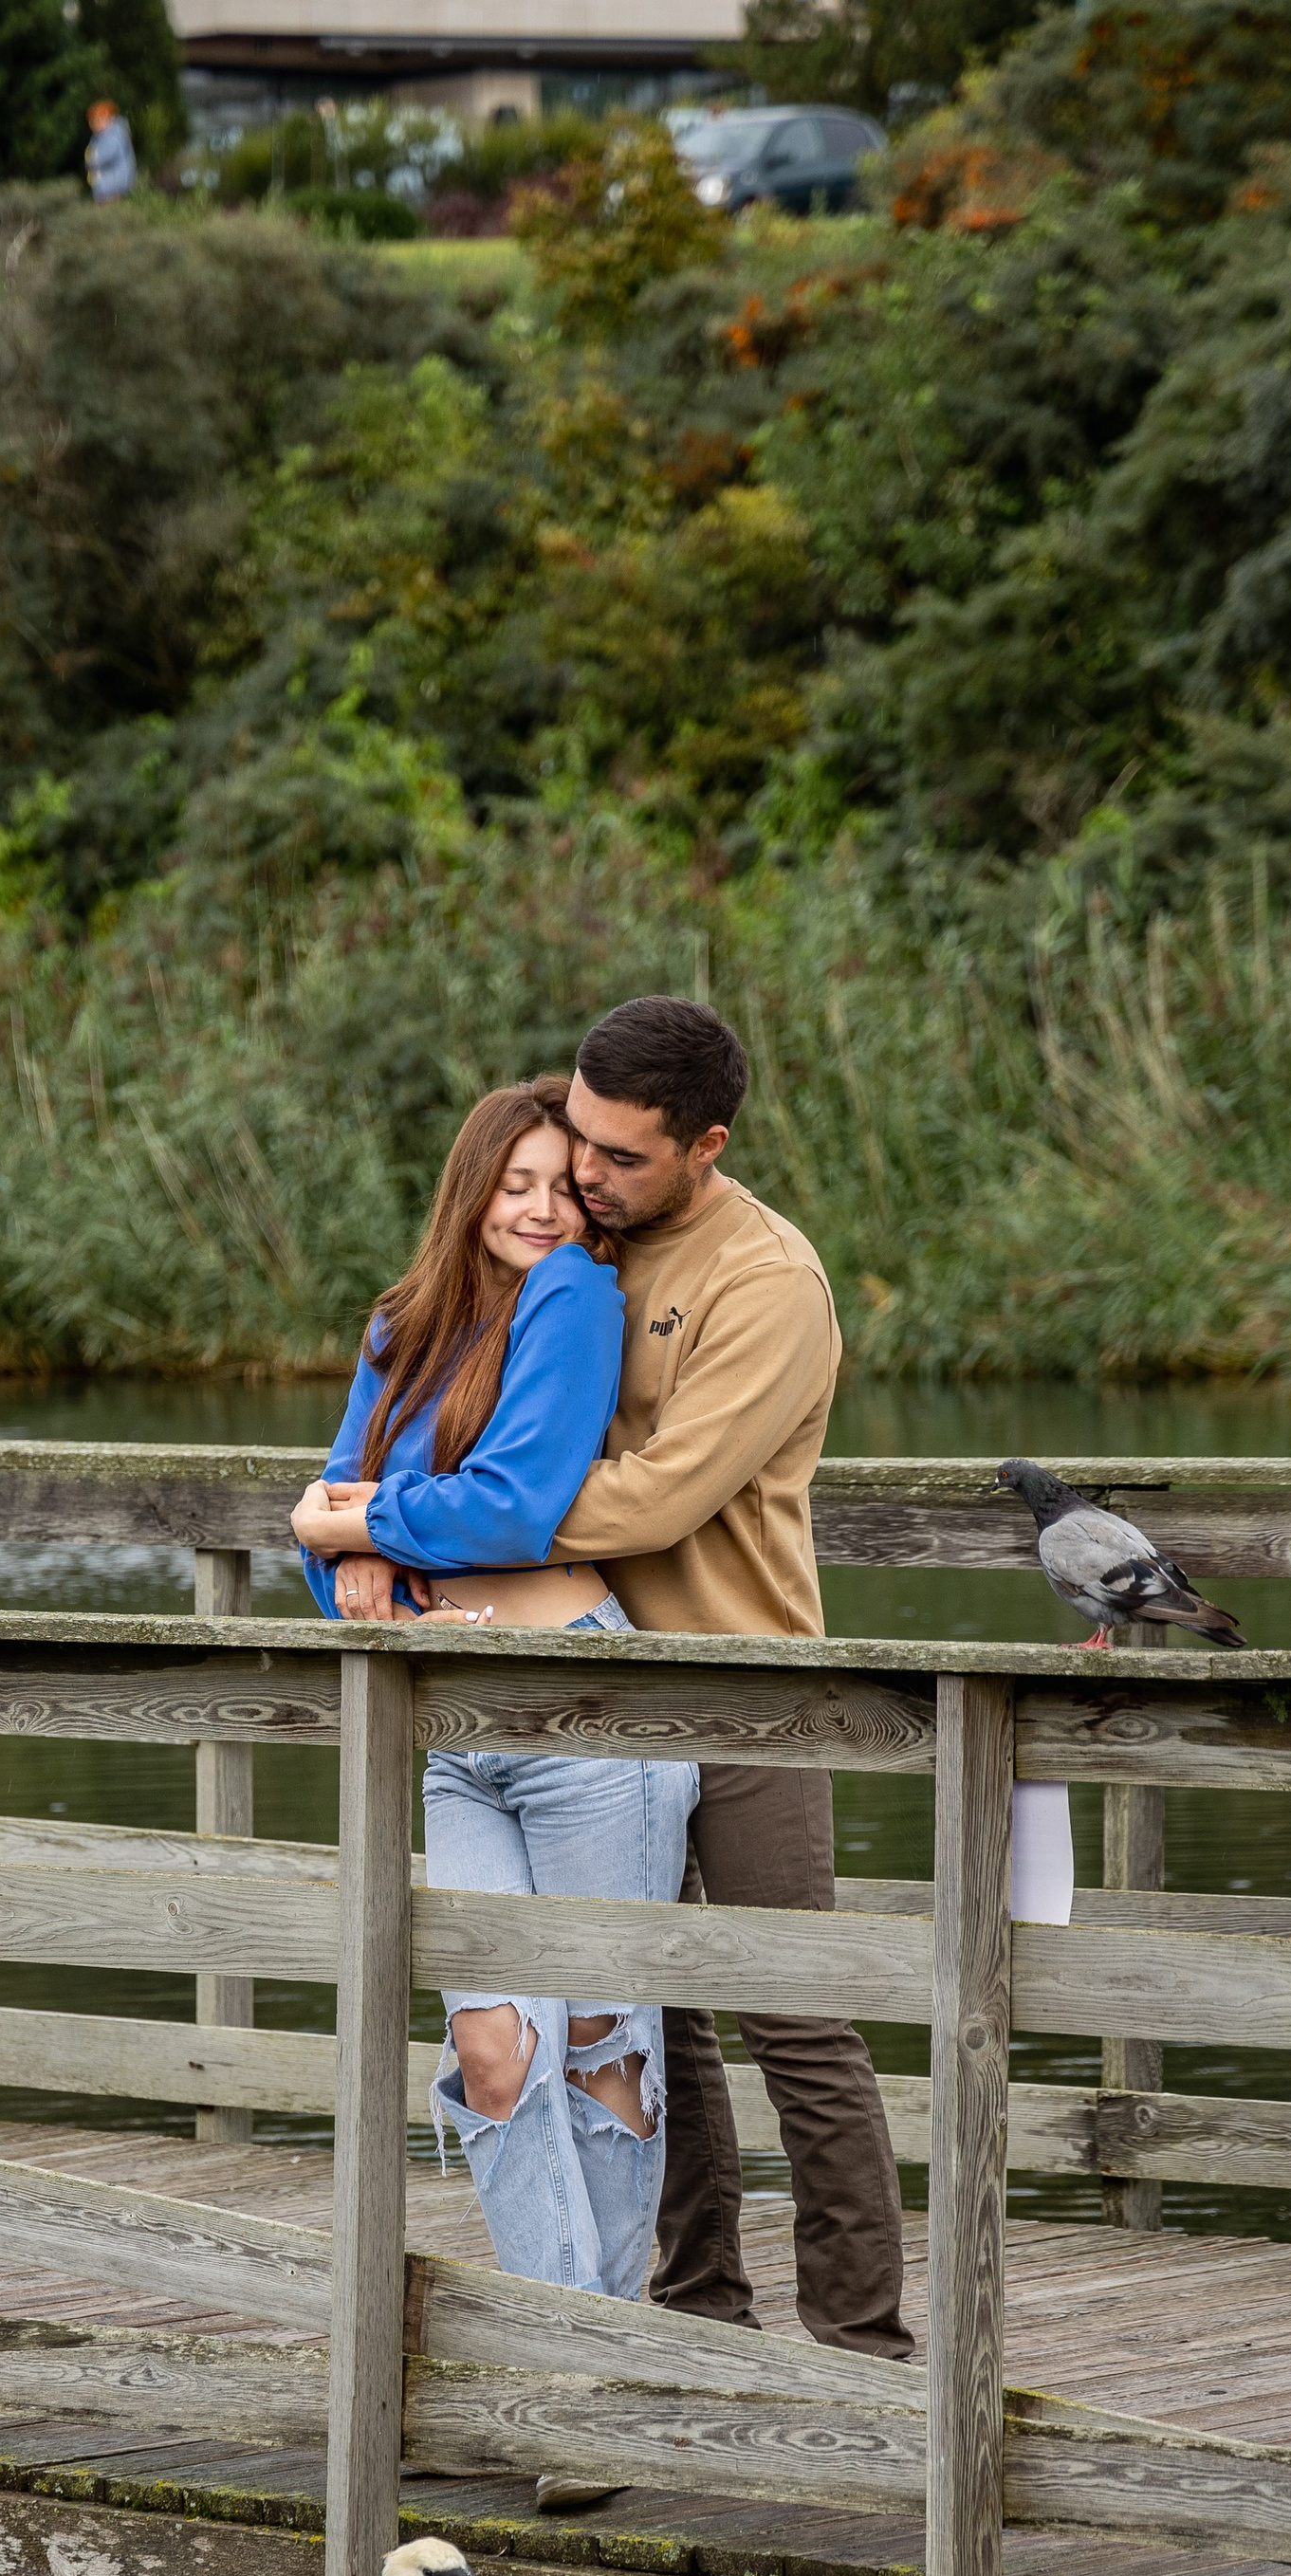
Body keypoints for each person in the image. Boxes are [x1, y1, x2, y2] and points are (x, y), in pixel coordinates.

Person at [540, 992, 913, 2362]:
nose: (588, 1170)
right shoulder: (572, 1233)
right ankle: (699, 2313)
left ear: (707, 1144)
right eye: (579, 1136)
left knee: (794, 2019)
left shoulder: (769, 1281)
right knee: (650, 2018)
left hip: (747, 1686)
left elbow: (657, 1504)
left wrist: (463, 1517)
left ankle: (863, 2349)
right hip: (593, 1700)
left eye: (623, 1154)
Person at [293, 1081, 699, 2300]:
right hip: (455, 1734)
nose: (536, 1210)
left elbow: (521, 1505)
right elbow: (323, 1508)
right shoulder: (400, 1325)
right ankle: (573, 2357)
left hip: (589, 1725)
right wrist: (357, 1550)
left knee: (598, 2055)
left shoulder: (575, 1296)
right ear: (468, 1192)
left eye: (560, 1190)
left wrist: (366, 1523)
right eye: (510, 1186)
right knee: (491, 2051)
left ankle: (583, 2388)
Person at [85, 101, 137, 201]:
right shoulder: (99, 137)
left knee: (110, 208)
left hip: (115, 184)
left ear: (107, 118)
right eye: (91, 121)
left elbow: (106, 155)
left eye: (97, 120)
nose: (93, 124)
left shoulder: (114, 135)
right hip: (104, 184)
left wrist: (91, 162)